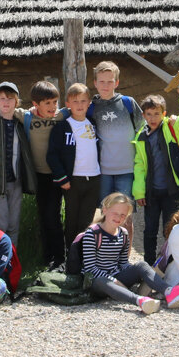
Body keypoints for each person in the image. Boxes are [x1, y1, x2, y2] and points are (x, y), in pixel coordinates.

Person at [75, 192, 179, 313]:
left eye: (123, 215)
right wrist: (115, 281)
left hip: (117, 276)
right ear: (105, 210)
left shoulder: (123, 233)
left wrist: (140, 274)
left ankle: (169, 292)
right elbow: (90, 268)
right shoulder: (93, 233)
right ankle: (139, 300)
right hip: (97, 281)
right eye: (115, 213)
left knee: (141, 265)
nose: (118, 218)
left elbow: (123, 263)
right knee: (102, 281)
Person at [131, 83, 179, 265]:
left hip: (171, 191)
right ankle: (149, 264)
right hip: (152, 192)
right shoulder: (140, 137)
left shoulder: (172, 129)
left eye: (157, 113)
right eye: (149, 114)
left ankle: (172, 263)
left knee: (172, 229)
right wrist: (139, 192)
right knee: (149, 230)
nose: (153, 118)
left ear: (164, 114)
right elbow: (139, 166)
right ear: (143, 115)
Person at [0, 81, 36, 256]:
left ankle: (12, 260)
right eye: (2, 99)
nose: (6, 102)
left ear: (16, 102)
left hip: (16, 182)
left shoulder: (21, 123)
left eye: (10, 99)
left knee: (14, 224)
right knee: (0, 223)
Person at [88, 62, 144, 235]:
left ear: (117, 83)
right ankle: (105, 256)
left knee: (125, 218)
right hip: (103, 171)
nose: (106, 85)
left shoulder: (128, 104)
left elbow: (143, 129)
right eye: (102, 81)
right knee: (105, 217)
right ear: (95, 83)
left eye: (110, 81)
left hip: (127, 169)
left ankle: (124, 260)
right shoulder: (91, 109)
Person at [47, 83, 102, 243]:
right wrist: (62, 177)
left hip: (93, 178)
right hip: (73, 180)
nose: (80, 105)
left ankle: (84, 259)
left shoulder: (93, 124)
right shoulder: (62, 127)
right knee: (72, 220)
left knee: (86, 222)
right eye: (75, 101)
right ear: (68, 104)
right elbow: (52, 155)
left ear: (89, 103)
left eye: (83, 101)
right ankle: (70, 259)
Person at [25, 81, 65, 269]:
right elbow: (3, 107)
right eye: (47, 103)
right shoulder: (26, 116)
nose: (52, 107)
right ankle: (47, 256)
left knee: (54, 215)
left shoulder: (62, 115)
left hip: (59, 175)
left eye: (55, 102)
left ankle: (60, 257)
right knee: (44, 215)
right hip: (39, 175)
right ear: (36, 104)